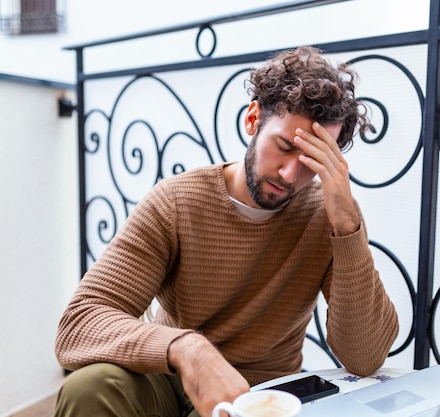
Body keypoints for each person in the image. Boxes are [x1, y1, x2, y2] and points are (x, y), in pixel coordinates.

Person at [54, 45, 399, 417]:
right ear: (253, 119)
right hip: (172, 377)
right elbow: (80, 323)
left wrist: (347, 226)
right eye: (283, 147)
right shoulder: (176, 202)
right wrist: (188, 349)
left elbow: (364, 358)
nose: (289, 175)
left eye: (311, 163)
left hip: (265, 393)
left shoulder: (327, 217)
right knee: (89, 388)